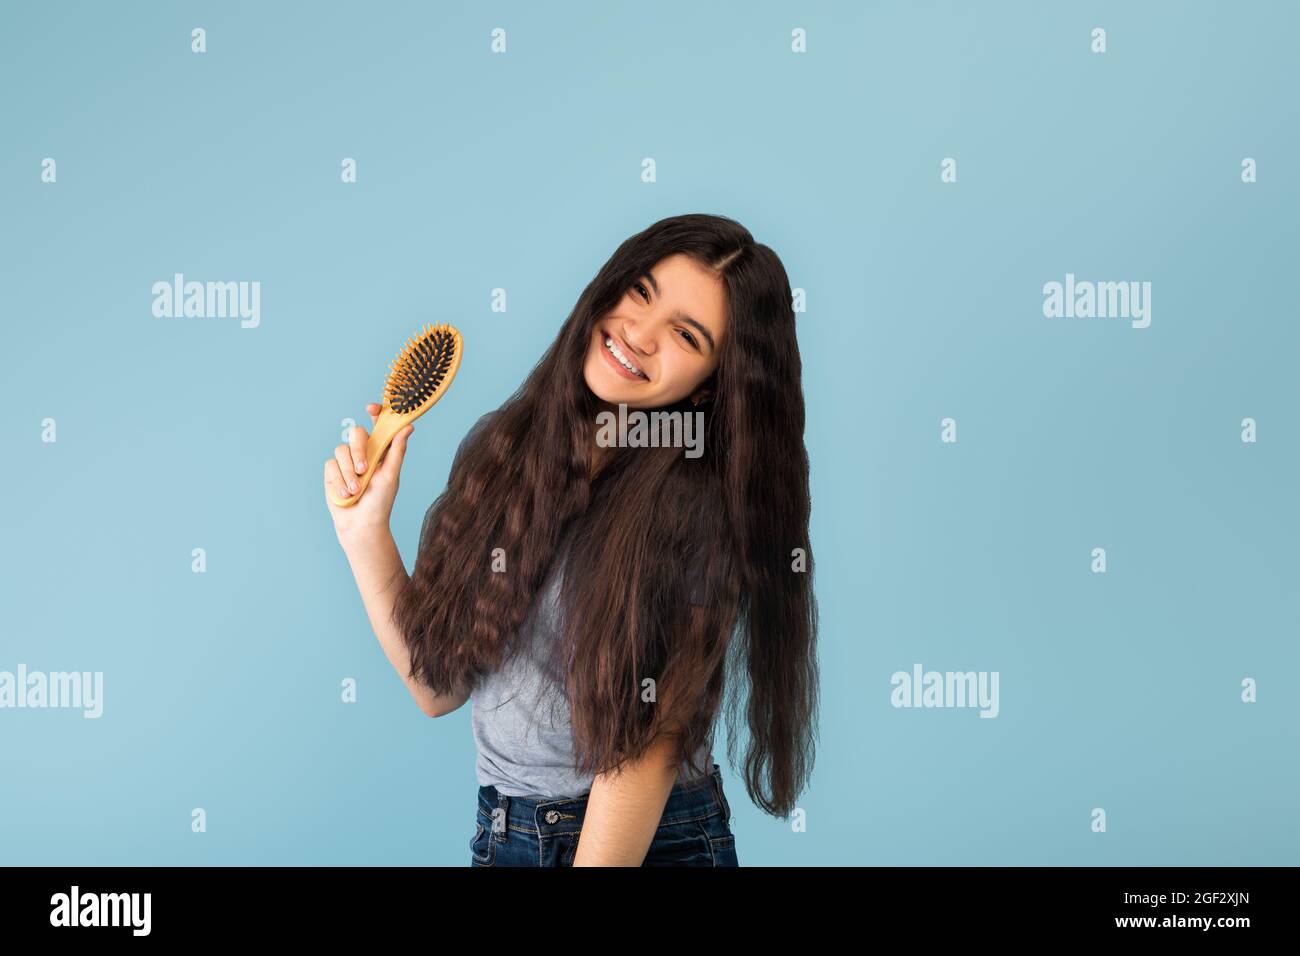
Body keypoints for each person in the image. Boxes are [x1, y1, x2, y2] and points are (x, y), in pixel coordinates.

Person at [324, 213, 818, 866]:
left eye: (686, 334)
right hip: (504, 832)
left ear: (709, 387)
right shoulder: (503, 446)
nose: (639, 334)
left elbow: (647, 750)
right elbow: (436, 688)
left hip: (645, 844)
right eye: (641, 293)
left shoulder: (701, 507)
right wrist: (364, 534)